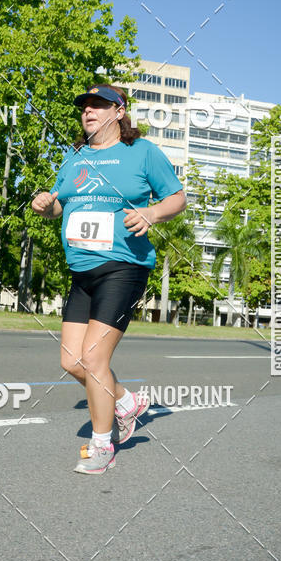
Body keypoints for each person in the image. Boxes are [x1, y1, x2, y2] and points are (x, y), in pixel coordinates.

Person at [31, 83, 186, 474]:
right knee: (71, 361)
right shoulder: (75, 157)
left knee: (94, 358)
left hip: (124, 266)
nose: (89, 112)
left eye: (98, 105)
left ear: (119, 111)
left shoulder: (143, 152)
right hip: (81, 270)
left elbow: (177, 197)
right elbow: (60, 205)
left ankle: (103, 447)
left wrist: (151, 214)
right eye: (85, 106)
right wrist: (45, 205)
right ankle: (126, 401)